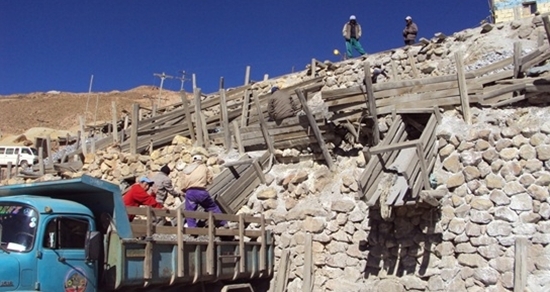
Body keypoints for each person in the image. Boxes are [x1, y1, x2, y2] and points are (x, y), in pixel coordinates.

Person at [180, 155, 226, 228]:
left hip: (190, 192)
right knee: (212, 207)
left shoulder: (186, 170)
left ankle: (192, 229)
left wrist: (184, 190)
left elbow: (182, 184)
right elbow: (210, 179)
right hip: (201, 191)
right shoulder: (204, 168)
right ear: (200, 160)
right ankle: (223, 223)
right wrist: (206, 183)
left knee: (190, 212)